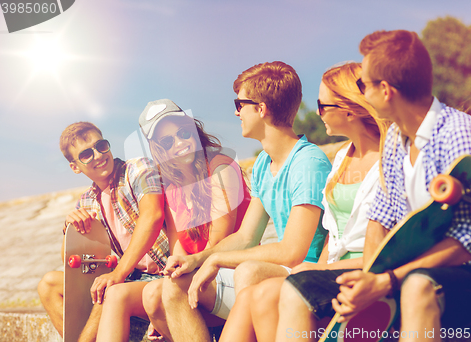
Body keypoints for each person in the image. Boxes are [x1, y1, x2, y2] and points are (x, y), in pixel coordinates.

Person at [276, 30, 471, 342]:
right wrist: (367, 280)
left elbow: (468, 242)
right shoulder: (395, 138)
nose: (361, 94)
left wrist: (386, 281)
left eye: (363, 84)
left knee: (418, 285)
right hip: (399, 274)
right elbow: (380, 218)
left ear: (386, 90)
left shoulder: (458, 132)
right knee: (298, 288)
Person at [141, 61, 332, 342]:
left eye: (240, 103)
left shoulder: (308, 161)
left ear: (261, 108)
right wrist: (198, 259)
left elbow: (293, 251)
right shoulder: (264, 164)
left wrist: (217, 258)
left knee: (250, 271)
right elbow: (246, 236)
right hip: (283, 270)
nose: (236, 111)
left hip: (308, 274)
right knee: (172, 287)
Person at [218, 62, 391, 342]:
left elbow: (377, 248)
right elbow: (332, 236)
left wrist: (317, 268)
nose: (315, 112)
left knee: (258, 286)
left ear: (348, 108)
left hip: (363, 271)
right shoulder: (342, 158)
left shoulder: (385, 159)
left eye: (323, 106)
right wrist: (204, 260)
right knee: (253, 293)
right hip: (330, 267)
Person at [96, 99, 251, 341]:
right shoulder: (170, 186)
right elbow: (177, 247)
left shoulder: (222, 167)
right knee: (127, 295)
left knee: (161, 294)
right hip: (193, 276)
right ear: (157, 148)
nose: (179, 143)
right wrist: (173, 268)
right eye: (167, 141)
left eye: (183, 133)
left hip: (228, 273)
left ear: (194, 130)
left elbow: (219, 244)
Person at [37, 122, 170, 342]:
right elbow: (72, 265)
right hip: (130, 278)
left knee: (108, 288)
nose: (98, 156)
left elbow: (153, 216)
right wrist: (70, 227)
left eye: (101, 146)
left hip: (162, 274)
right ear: (75, 166)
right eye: (87, 154)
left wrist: (117, 274)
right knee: (48, 284)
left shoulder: (137, 169)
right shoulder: (87, 201)